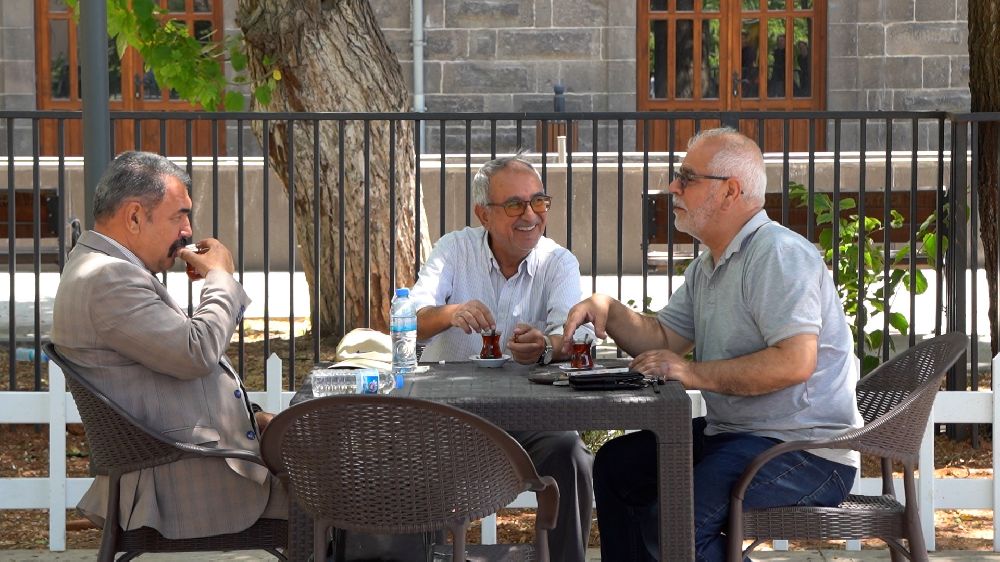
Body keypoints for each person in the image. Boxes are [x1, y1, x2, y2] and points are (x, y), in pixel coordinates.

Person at [561, 128, 863, 561]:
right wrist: (607, 308)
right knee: (617, 467)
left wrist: (691, 372)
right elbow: (665, 338)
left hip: (804, 452)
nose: (672, 187)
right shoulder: (711, 265)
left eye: (687, 177)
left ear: (730, 192)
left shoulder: (777, 254)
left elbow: (794, 362)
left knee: (675, 523)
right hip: (737, 436)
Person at [51, 151, 286, 539]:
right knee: (336, 497)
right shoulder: (108, 279)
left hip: (181, 461)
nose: (188, 231)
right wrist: (222, 278)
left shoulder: (102, 267)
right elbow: (196, 353)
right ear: (134, 217)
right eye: (179, 215)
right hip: (184, 483)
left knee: (335, 478)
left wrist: (253, 418)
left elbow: (162, 378)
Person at [409, 151, 595, 562]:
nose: (530, 215)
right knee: (409, 456)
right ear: (483, 214)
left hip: (530, 421)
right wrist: (450, 313)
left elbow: (573, 333)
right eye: (514, 205)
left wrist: (547, 346)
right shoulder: (454, 250)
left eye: (538, 202)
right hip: (450, 419)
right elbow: (410, 319)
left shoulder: (558, 262)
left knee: (571, 454)